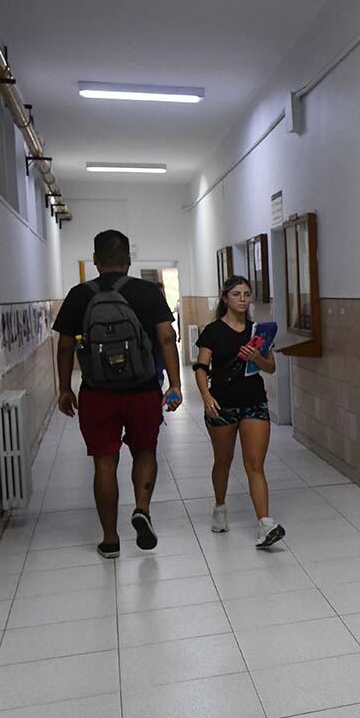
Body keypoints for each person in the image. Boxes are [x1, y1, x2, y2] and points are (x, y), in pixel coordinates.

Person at [53, 229, 183, 558]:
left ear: (95, 260)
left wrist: (65, 388)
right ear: (129, 259)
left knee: (104, 463)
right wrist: (175, 384)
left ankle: (110, 539)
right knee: (145, 451)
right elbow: (167, 338)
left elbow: (66, 346)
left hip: (98, 393)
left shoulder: (78, 294)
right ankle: (141, 508)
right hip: (142, 390)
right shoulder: (147, 292)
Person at [194, 276, 285, 548]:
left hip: (254, 401)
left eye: (247, 294)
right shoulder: (213, 331)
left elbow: (271, 368)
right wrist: (206, 396)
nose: (243, 299)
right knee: (223, 460)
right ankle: (220, 507)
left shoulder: (259, 332)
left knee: (255, 465)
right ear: (225, 298)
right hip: (222, 402)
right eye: (236, 294)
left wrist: (257, 357)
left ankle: (265, 523)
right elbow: (201, 368)